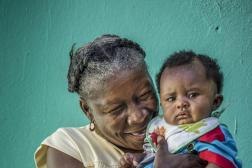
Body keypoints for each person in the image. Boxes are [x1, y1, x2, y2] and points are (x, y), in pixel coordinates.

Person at [34, 35, 208, 168]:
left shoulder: (178, 131)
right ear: (87, 110)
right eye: (116, 109)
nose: (139, 116)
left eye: (145, 95)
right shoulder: (69, 145)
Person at [121, 51, 242, 168]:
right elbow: (152, 156)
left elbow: (220, 162)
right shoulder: (161, 130)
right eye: (171, 98)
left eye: (192, 95)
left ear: (215, 102)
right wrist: (139, 159)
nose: (181, 104)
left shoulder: (213, 134)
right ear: (162, 104)